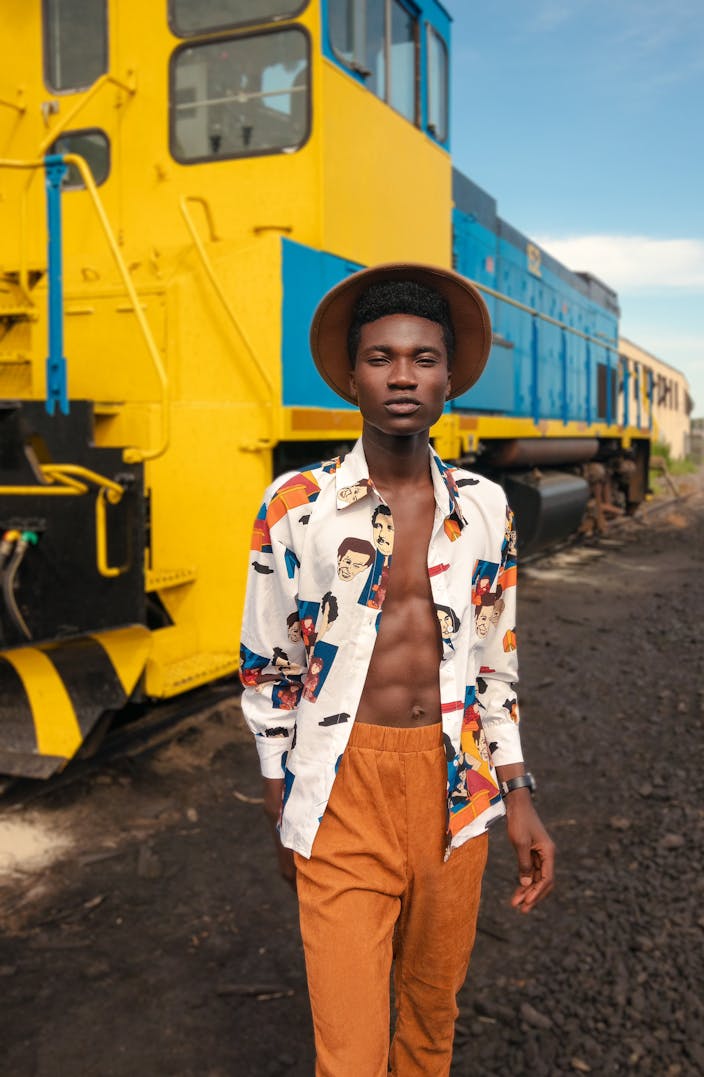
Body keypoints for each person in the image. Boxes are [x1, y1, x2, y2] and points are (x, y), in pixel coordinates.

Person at [239, 262, 555, 1076]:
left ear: (450, 376)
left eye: (422, 358)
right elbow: (270, 669)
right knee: (348, 1049)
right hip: (342, 788)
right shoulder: (295, 506)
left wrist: (518, 794)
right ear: (351, 377)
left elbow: (494, 663)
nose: (402, 376)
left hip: (458, 787)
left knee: (429, 1021)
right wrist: (286, 806)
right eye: (380, 357)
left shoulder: (486, 507)